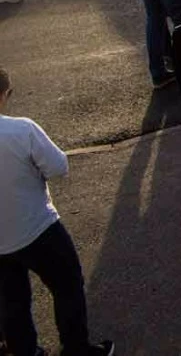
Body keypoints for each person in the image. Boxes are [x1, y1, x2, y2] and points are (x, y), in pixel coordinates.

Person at [0, 68, 116, 356]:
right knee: (67, 284)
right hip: (36, 226)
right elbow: (58, 167)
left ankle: (23, 350)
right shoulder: (21, 130)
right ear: (3, 95)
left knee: (12, 301)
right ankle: (75, 347)